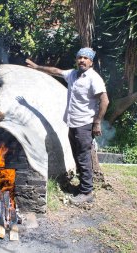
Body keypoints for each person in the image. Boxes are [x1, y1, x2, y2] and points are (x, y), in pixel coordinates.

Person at [26, 47, 109, 204]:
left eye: (85, 58)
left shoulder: (93, 78)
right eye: (79, 57)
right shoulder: (72, 74)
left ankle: (87, 192)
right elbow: (56, 71)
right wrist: (37, 68)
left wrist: (97, 123)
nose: (82, 60)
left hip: (85, 124)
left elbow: (105, 100)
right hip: (73, 123)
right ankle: (82, 187)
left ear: (91, 62)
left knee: (84, 157)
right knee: (78, 156)